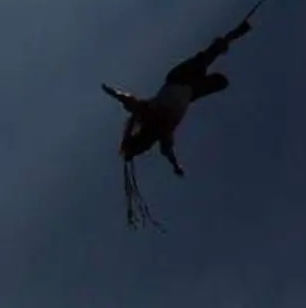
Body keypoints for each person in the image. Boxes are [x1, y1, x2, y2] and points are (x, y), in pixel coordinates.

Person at [103, 21, 251, 227]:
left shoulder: (151, 115)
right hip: (190, 91)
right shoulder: (164, 132)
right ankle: (231, 42)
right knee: (212, 66)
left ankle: (236, 33)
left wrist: (114, 93)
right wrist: (175, 166)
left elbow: (132, 102)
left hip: (179, 78)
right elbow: (167, 151)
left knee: (209, 55)